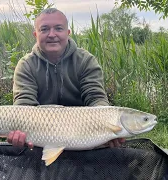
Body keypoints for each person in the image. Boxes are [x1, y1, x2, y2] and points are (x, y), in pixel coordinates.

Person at [8, 8, 125, 149]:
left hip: (83, 134)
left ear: (68, 33)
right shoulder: (26, 65)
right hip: (40, 135)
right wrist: (19, 133)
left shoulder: (85, 61)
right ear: (35, 34)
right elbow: (23, 106)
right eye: (44, 29)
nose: (52, 35)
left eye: (58, 28)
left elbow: (96, 98)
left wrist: (107, 127)